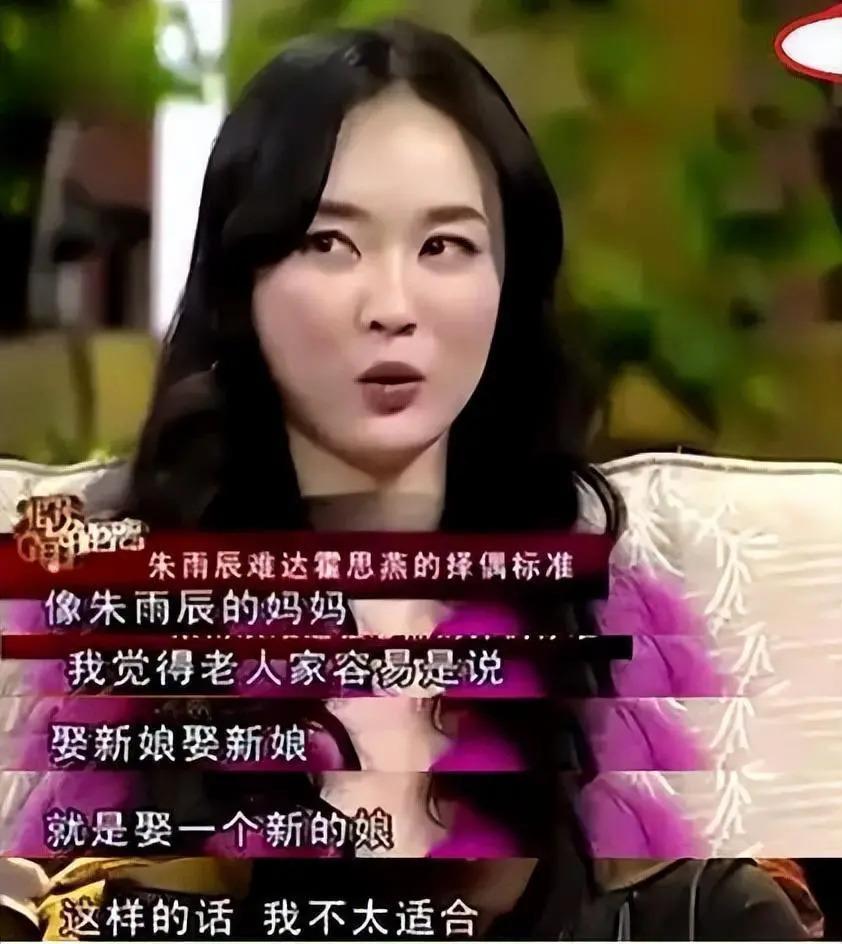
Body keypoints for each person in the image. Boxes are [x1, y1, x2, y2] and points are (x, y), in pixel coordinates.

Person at [1, 19, 813, 941]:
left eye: (445, 246)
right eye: (329, 243)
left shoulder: (615, 636)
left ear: (509, 284)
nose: (391, 307)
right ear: (241, 282)